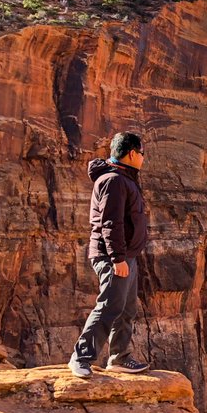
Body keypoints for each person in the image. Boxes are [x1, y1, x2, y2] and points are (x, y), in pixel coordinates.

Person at [68, 131, 151, 378]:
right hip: (113, 256)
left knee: (126, 309)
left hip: (127, 255)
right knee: (109, 306)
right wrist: (117, 259)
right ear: (133, 153)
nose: (144, 159)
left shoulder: (124, 178)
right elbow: (110, 223)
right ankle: (81, 357)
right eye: (142, 153)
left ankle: (119, 358)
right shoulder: (113, 180)